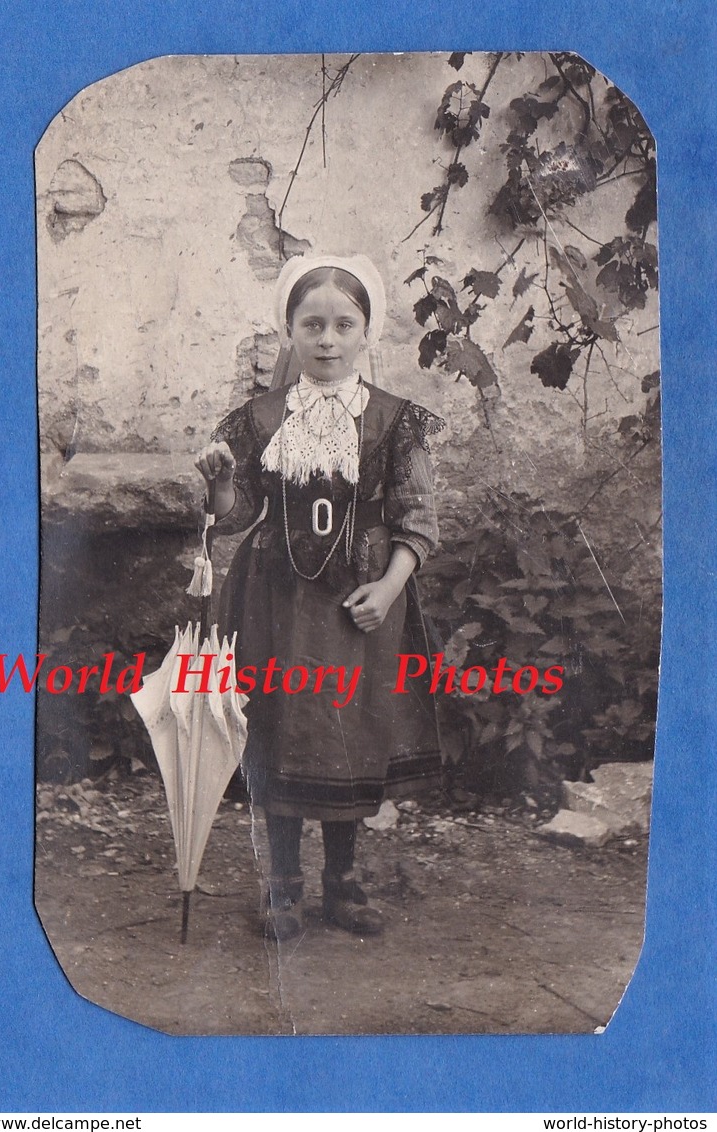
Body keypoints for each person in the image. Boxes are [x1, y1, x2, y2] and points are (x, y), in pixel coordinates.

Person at [195, 254, 444, 941]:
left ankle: (342, 884)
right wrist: (217, 478)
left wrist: (389, 589)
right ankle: (282, 887)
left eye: (343, 324)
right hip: (272, 601)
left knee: (348, 733)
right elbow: (234, 512)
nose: (327, 339)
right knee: (279, 729)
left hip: (360, 604)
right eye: (312, 324)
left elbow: (419, 520)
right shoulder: (257, 419)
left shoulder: (396, 423)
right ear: (290, 331)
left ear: (367, 331)